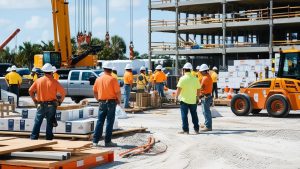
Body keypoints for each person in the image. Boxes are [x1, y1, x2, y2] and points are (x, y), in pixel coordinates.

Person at [29, 63, 65, 140]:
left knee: (37, 122)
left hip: (40, 105)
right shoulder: (54, 82)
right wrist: (60, 102)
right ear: (51, 72)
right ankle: (48, 139)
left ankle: (33, 138)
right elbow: (63, 93)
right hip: (51, 105)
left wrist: (35, 100)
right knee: (50, 122)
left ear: (44, 71)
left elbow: (30, 91)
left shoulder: (38, 81)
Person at [93, 62, 121, 147]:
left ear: (104, 69)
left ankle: (95, 141)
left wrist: (99, 100)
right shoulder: (113, 79)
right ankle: (107, 141)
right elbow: (118, 92)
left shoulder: (98, 79)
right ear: (111, 70)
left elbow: (94, 91)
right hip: (111, 103)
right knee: (109, 122)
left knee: (100, 121)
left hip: (102, 102)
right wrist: (119, 101)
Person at [176, 63, 201, 134]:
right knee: (194, 115)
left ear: (184, 70)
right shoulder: (195, 79)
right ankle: (196, 129)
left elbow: (179, 89)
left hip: (184, 100)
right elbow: (198, 89)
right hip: (193, 100)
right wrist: (197, 97)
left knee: (184, 115)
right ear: (191, 70)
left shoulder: (182, 78)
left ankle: (186, 130)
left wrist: (176, 97)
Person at [199, 64, 213, 131]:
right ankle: (206, 123)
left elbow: (201, 87)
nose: (200, 73)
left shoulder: (205, 78)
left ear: (204, 71)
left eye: (201, 71)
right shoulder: (209, 76)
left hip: (206, 96)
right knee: (205, 111)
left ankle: (208, 126)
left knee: (206, 111)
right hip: (208, 95)